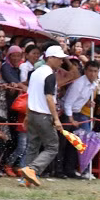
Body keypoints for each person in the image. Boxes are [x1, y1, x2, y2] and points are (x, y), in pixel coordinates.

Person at [19, 45, 67, 187]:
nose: (61, 62)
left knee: (33, 146)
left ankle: (25, 179)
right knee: (52, 146)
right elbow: (49, 98)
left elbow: (30, 94)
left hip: (32, 113)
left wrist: (27, 116)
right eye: (59, 59)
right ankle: (32, 170)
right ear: (51, 58)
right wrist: (56, 119)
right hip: (44, 115)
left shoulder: (35, 73)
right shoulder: (49, 75)